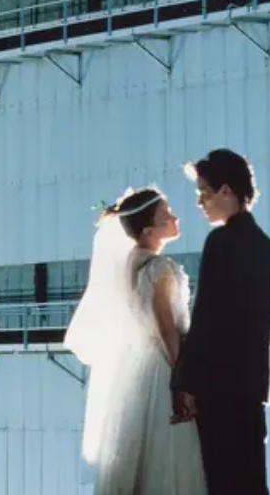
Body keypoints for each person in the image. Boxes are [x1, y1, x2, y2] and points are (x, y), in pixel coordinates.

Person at [66, 187, 208, 495]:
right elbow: (167, 329)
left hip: (135, 369)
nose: (175, 217)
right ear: (149, 231)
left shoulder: (126, 265)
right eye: (165, 214)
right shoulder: (159, 268)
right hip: (162, 366)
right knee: (167, 455)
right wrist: (182, 381)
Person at [171, 149, 270, 495]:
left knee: (220, 482)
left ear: (227, 190)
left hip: (217, 388)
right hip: (249, 390)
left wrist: (184, 382)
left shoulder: (221, 242)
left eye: (204, 193)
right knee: (251, 482)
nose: (200, 202)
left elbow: (207, 318)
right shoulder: (265, 246)